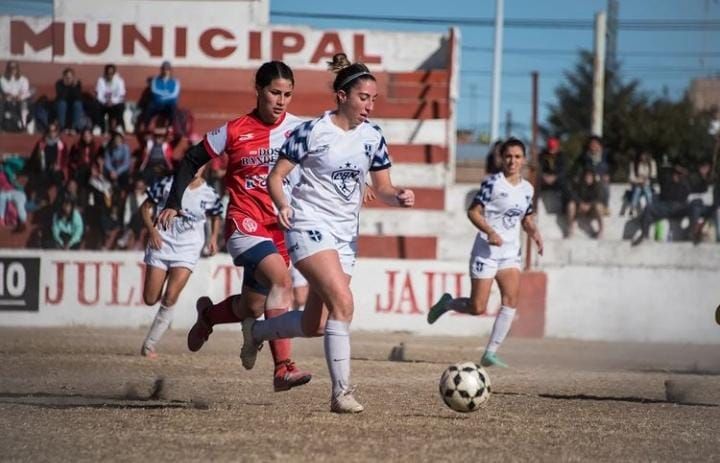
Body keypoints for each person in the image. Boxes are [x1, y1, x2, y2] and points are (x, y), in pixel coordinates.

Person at [220, 53, 416, 413]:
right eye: (363, 98)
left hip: (345, 237)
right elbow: (275, 176)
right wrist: (283, 205)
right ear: (342, 96)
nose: (370, 106)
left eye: (373, 99)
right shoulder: (310, 132)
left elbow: (382, 187)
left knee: (317, 323)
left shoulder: (373, 137)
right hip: (308, 227)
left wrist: (397, 195)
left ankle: (258, 331)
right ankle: (341, 393)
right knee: (344, 303)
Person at [155, 61, 312, 392]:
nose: (281, 101)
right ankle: (283, 368)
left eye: (288, 94)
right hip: (244, 222)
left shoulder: (301, 130)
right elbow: (191, 160)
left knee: (253, 306)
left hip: (280, 228)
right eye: (274, 93)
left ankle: (208, 316)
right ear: (258, 89)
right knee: (282, 281)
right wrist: (173, 201)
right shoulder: (234, 130)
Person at [426, 138, 542, 369]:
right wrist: (489, 231)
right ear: (502, 158)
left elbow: (526, 218)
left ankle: (490, 353)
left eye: (517, 157)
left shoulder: (527, 188)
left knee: (511, 300)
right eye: (508, 156)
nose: (512, 161)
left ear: (524, 160)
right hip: (486, 252)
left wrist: (535, 233)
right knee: (477, 308)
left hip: (510, 253)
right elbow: (473, 212)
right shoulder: (493, 184)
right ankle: (447, 304)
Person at [140, 165, 222, 358]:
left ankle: (149, 344)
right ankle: (151, 341)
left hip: (187, 250)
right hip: (162, 244)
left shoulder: (209, 194)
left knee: (170, 297)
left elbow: (216, 216)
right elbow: (145, 207)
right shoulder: (167, 184)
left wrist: (213, 238)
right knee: (150, 299)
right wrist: (151, 231)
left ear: (205, 168)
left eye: (201, 164)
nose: (195, 167)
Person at [566, 167, 605, 239]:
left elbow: (600, 198)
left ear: (593, 177)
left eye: (590, 176)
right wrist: (580, 203)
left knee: (599, 206)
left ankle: (601, 230)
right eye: (587, 176)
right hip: (580, 209)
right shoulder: (578, 184)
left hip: (592, 209)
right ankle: (570, 228)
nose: (588, 178)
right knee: (571, 205)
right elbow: (572, 195)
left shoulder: (598, 185)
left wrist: (589, 205)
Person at [141, 61, 180, 128]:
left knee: (174, 109)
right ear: (161, 70)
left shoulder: (175, 82)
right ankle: (146, 126)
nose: (165, 71)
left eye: (167, 69)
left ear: (170, 71)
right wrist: (166, 93)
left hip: (168, 104)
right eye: (164, 69)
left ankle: (171, 126)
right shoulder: (155, 80)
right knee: (148, 108)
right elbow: (154, 92)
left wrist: (162, 96)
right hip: (157, 104)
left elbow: (174, 95)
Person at [1, 60, 33, 132]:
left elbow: (25, 90)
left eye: (14, 67)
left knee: (26, 100)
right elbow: (6, 90)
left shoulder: (23, 79)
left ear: (17, 68)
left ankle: (24, 125)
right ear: (7, 68)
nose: (13, 69)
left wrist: (20, 96)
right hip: (8, 100)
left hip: (20, 99)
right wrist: (16, 95)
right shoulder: (3, 79)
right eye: (11, 67)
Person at [624, 150, 657, 217]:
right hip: (637, 183)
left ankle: (633, 208)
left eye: (645, 155)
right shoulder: (634, 164)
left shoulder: (651, 162)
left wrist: (645, 178)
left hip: (647, 183)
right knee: (638, 190)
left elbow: (653, 174)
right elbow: (631, 177)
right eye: (642, 155)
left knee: (645, 190)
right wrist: (639, 180)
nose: (643, 157)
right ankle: (635, 209)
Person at [95, 64, 126, 133]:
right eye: (108, 73)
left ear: (114, 73)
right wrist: (106, 101)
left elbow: (121, 95)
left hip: (115, 104)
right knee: (96, 105)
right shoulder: (101, 80)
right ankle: (98, 127)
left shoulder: (119, 81)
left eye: (111, 73)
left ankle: (119, 126)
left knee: (121, 106)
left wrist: (112, 101)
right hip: (104, 103)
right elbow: (99, 95)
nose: (109, 76)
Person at [55, 67, 86, 134]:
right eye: (67, 77)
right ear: (63, 77)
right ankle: (62, 128)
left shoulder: (77, 83)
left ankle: (75, 128)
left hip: (73, 104)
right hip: (62, 103)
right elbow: (61, 97)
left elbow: (78, 97)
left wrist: (73, 87)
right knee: (62, 104)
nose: (69, 79)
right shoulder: (59, 84)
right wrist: (66, 86)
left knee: (78, 104)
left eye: (70, 77)